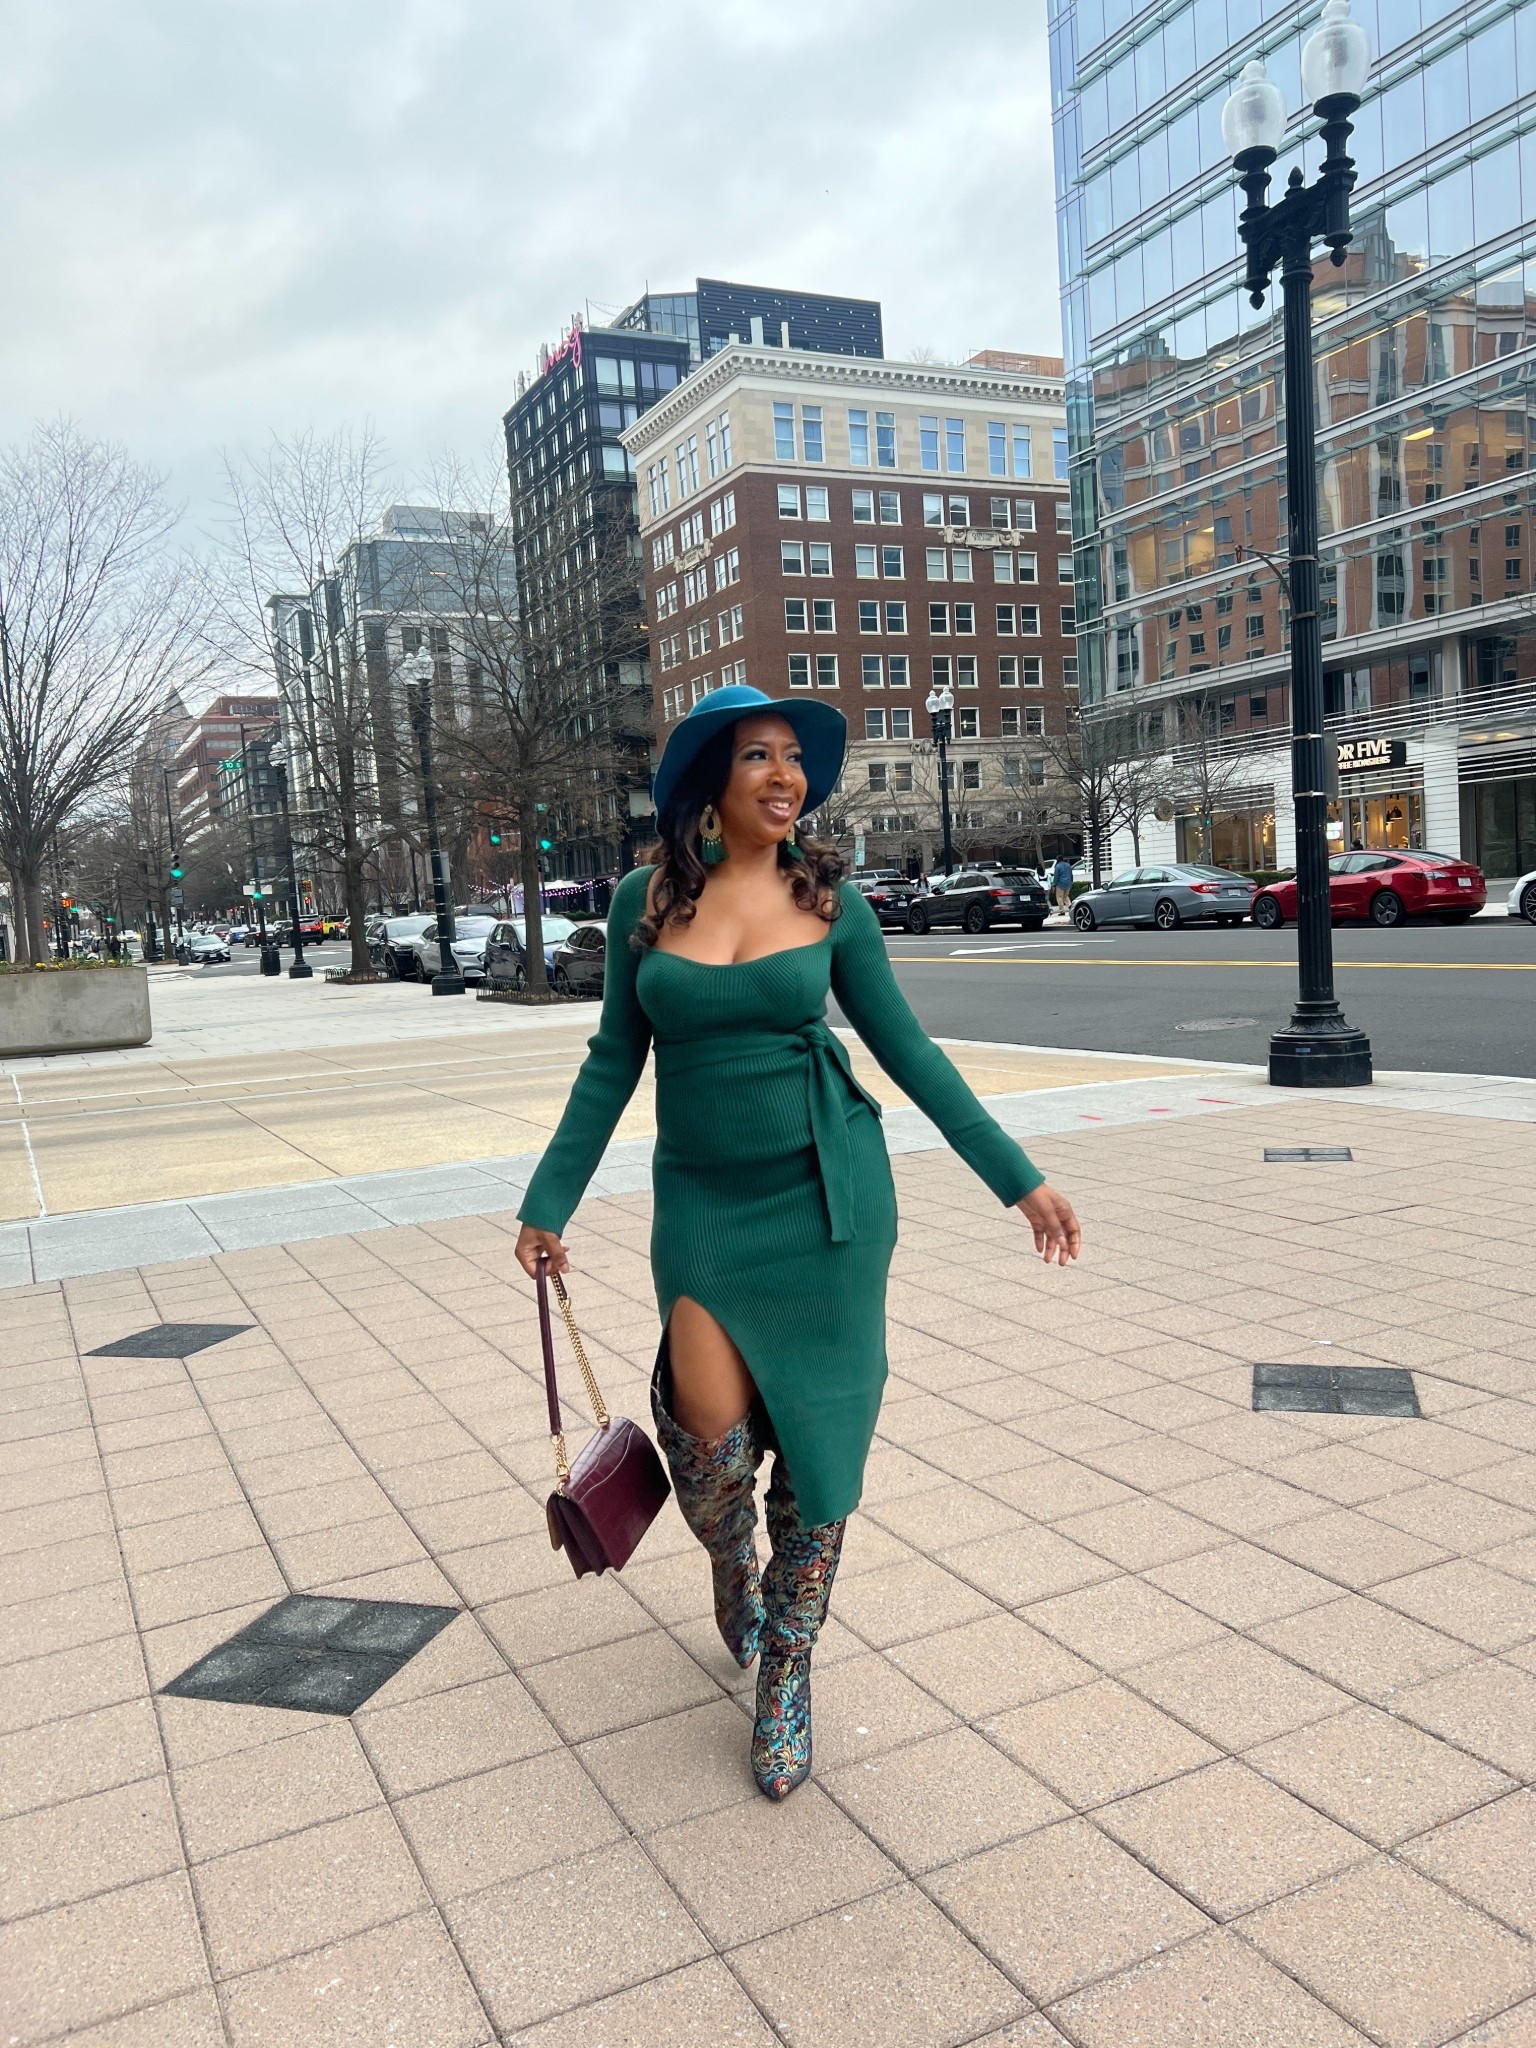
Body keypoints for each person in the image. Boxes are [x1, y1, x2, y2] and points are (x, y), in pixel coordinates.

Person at [514, 686, 1080, 1801]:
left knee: (817, 1448)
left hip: (829, 1201)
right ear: (711, 781)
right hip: (705, 1208)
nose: (786, 776)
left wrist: (1022, 1179)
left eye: (793, 760)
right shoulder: (646, 899)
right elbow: (609, 1063)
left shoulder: (830, 901)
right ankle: (735, 1571)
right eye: (759, 756)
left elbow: (910, 1051)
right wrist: (550, 1198)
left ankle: (788, 1662)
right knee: (710, 1438)